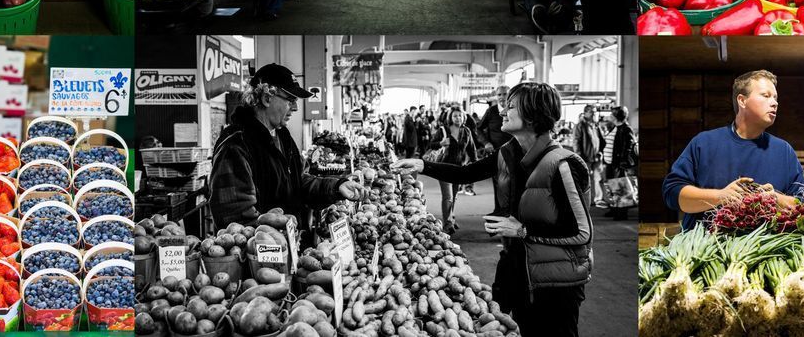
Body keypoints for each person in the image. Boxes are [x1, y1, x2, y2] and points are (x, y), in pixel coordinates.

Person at [393, 82, 593, 337]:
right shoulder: (507, 153)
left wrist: (522, 230)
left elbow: (581, 233)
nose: (502, 112)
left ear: (532, 117)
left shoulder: (563, 164)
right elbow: (467, 173)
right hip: (517, 271)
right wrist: (422, 164)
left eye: (511, 106)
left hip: (554, 284)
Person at [208, 64, 365, 228]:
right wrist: (279, 234)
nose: (296, 107)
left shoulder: (282, 137)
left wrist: (337, 187)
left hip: (290, 245)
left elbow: (299, 181)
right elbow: (236, 219)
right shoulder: (235, 146)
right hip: (261, 251)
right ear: (266, 98)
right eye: (290, 100)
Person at [663, 71, 803, 230]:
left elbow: (802, 205)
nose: (774, 103)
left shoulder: (784, 151)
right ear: (742, 101)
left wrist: (776, 199)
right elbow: (672, 194)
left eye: (775, 98)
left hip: (763, 251)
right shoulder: (704, 143)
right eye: (766, 95)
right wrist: (720, 196)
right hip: (706, 250)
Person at [426, 104, 477, 234]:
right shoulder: (443, 130)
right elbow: (431, 145)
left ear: (463, 116)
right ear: (451, 117)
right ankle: (447, 223)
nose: (458, 118)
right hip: (443, 167)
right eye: (455, 115)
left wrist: (475, 164)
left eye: (460, 115)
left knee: (454, 196)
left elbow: (471, 149)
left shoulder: (466, 131)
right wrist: (441, 143)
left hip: (459, 168)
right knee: (447, 196)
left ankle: (451, 218)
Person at [573, 105, 603, 207]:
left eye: (595, 112)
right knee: (586, 180)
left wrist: (600, 152)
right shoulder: (580, 126)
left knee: (596, 179)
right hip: (585, 158)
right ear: (585, 113)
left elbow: (601, 140)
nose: (594, 114)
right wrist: (579, 157)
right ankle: (586, 201)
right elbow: (576, 142)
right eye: (592, 112)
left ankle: (593, 200)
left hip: (596, 157)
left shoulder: (595, 125)